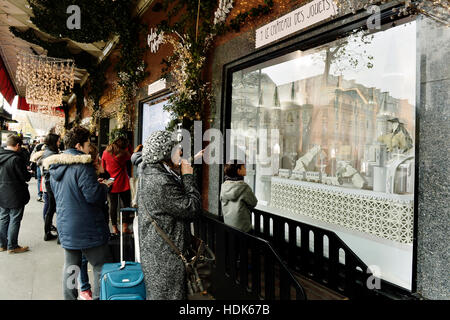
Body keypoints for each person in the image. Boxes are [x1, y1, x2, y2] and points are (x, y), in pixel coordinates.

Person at [47, 126, 113, 300]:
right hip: (88, 227)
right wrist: (103, 187)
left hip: (66, 225)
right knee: (100, 267)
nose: (88, 148)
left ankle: (70, 298)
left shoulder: (56, 166)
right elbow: (93, 196)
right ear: (78, 146)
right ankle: (99, 297)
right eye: (86, 144)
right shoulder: (82, 165)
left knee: (71, 268)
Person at [139, 130, 201, 300]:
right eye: (177, 149)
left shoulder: (149, 170)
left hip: (158, 255)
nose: (181, 152)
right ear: (166, 154)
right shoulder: (160, 182)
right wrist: (188, 176)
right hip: (166, 261)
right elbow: (192, 208)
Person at [0, 134, 31, 254]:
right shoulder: (16, 159)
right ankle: (12, 246)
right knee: (15, 218)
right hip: (15, 193)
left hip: (2, 192)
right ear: (18, 145)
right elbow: (24, 176)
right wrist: (29, 173)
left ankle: (2, 244)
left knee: (3, 217)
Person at [101, 137, 132, 235]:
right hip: (123, 181)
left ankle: (114, 228)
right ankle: (125, 227)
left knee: (113, 206)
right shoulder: (124, 154)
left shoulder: (105, 152)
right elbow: (131, 156)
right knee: (126, 204)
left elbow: (103, 168)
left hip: (111, 181)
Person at [220, 160, 257, 233]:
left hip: (228, 224)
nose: (245, 169)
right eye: (244, 167)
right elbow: (254, 202)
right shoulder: (243, 187)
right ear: (238, 171)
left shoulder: (224, 186)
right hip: (243, 228)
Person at [40, 133, 60, 241]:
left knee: (51, 208)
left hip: (48, 183)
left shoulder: (47, 152)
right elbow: (53, 171)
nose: (59, 143)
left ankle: (47, 233)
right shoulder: (51, 154)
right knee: (53, 208)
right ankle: (49, 234)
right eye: (58, 141)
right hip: (51, 183)